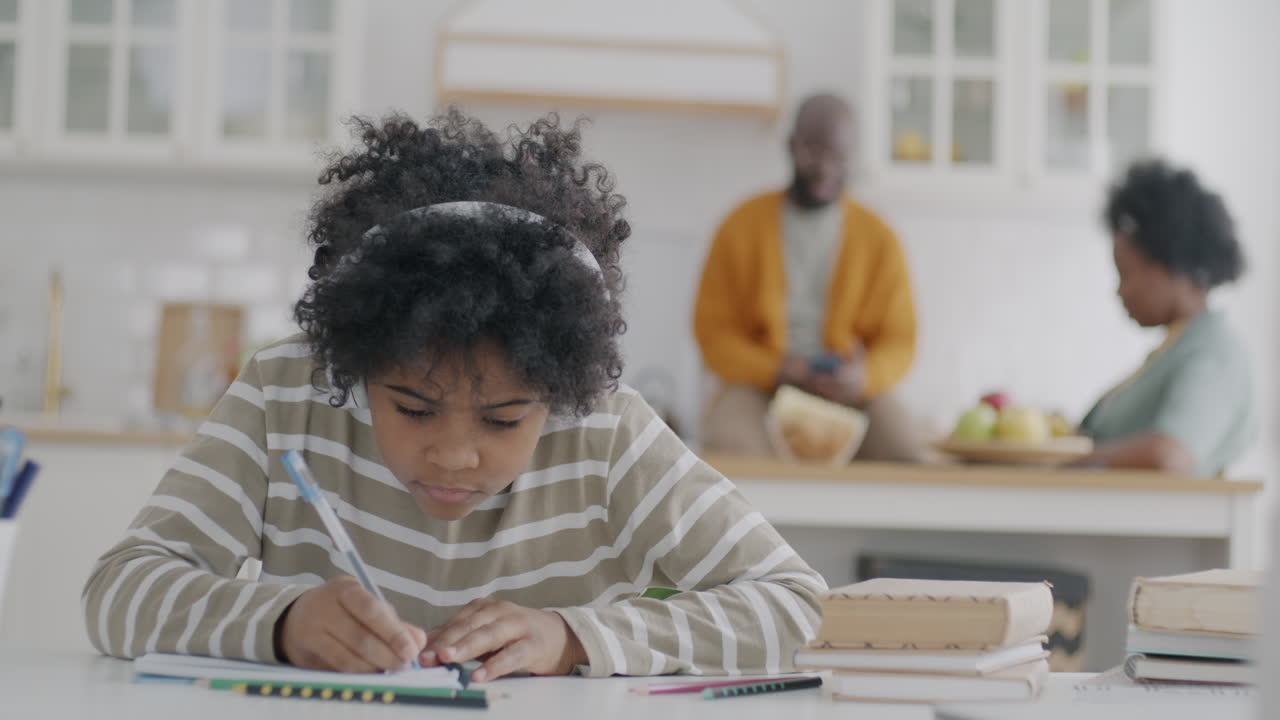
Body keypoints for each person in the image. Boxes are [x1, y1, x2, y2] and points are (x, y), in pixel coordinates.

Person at [82, 110, 824, 681]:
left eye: (504, 417)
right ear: (355, 364)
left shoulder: (606, 432)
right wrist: (280, 622)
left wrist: (573, 638)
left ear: (558, 394)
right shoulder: (286, 395)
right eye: (411, 406)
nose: (454, 453)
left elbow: (794, 602)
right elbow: (118, 593)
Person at [693, 93, 924, 461]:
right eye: (814, 152)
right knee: (730, 445)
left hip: (850, 390)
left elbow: (900, 340)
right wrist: (778, 369)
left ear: (854, 156)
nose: (825, 168)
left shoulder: (878, 237)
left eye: (839, 156)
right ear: (792, 146)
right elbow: (713, 334)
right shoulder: (739, 225)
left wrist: (863, 376)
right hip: (760, 385)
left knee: (908, 451)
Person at [1076, 159, 1255, 477]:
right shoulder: (1178, 347)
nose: (1120, 292)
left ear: (1171, 265)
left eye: (1126, 274)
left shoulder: (1214, 352)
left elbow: (1170, 455)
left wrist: (1069, 459)